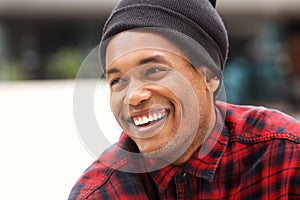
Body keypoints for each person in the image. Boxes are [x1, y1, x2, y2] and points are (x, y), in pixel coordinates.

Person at [69, 0, 300, 199]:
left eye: (154, 71)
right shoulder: (100, 193)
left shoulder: (286, 157)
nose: (134, 97)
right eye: (117, 81)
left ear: (209, 76)